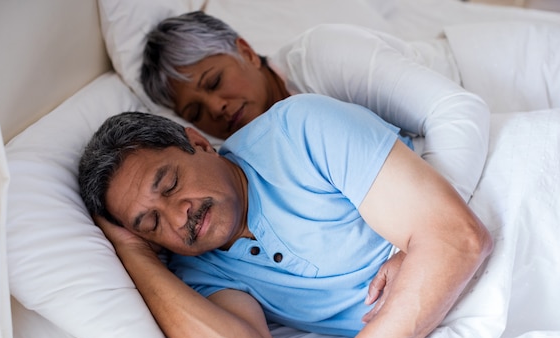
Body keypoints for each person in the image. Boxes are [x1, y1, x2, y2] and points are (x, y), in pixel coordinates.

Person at [78, 94, 494, 338]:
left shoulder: (300, 130)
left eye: (170, 185)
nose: (178, 215)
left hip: (516, 241)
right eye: (151, 223)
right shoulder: (197, 272)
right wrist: (136, 255)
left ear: (198, 143)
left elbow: (459, 239)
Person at [141, 11, 491, 203]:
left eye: (215, 82)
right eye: (196, 114)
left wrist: (429, 226)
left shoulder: (322, 55)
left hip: (493, 80)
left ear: (245, 51)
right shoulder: (243, 156)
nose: (216, 108)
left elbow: (455, 109)